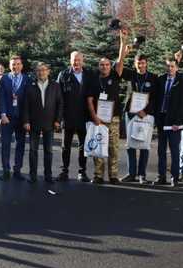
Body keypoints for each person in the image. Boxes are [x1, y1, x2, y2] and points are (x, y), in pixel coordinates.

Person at [115, 31, 157, 184]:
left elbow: (155, 97)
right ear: (135, 64)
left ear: (146, 63)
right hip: (131, 113)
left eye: (143, 62)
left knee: (144, 145)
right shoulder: (131, 74)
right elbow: (118, 69)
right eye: (138, 63)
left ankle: (142, 175)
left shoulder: (153, 78)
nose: (141, 65)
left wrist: (145, 111)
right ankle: (131, 173)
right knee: (131, 145)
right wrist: (124, 52)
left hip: (146, 114)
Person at [22, 62, 63, 183]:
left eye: (44, 70)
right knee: (33, 151)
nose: (41, 72)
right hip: (33, 123)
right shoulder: (30, 85)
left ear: (48, 71)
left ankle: (48, 175)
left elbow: (60, 104)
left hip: (50, 123)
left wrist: (58, 120)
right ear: (36, 72)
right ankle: (33, 176)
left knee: (48, 151)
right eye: (39, 70)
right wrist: (26, 121)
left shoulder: (55, 85)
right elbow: (25, 105)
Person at [153, 53, 183, 187]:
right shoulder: (160, 79)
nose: (170, 69)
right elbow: (156, 99)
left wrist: (178, 122)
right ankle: (161, 176)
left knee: (174, 150)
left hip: (174, 121)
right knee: (161, 150)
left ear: (177, 67)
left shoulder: (182, 81)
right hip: (162, 119)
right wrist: (157, 118)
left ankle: (175, 177)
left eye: (172, 66)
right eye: (168, 66)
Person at [56, 51, 93, 182]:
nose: (76, 62)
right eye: (73, 60)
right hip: (68, 116)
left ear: (83, 60)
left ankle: (82, 172)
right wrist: (58, 118)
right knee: (65, 146)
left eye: (78, 60)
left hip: (84, 117)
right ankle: (64, 171)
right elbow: (58, 97)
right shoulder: (63, 74)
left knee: (83, 146)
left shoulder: (89, 74)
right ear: (70, 60)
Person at [86, 57, 122, 185]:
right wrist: (94, 116)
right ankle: (98, 175)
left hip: (113, 118)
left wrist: (123, 47)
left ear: (110, 66)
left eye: (107, 64)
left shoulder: (115, 76)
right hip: (98, 119)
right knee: (98, 146)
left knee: (113, 148)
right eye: (102, 65)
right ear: (98, 66)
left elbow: (120, 61)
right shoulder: (93, 79)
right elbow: (89, 100)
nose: (104, 67)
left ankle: (113, 175)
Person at [0, 55, 30, 181]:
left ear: (21, 66)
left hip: (21, 118)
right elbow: (1, 97)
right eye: (13, 64)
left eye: (17, 64)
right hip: (7, 117)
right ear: (9, 66)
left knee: (20, 145)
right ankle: (6, 171)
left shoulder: (27, 79)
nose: (15, 66)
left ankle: (17, 170)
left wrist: (27, 119)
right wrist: (3, 114)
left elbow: (29, 100)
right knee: (5, 144)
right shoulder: (4, 78)